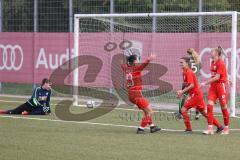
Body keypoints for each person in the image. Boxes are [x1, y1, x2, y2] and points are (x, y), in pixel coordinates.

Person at [176, 57, 223, 133]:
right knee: (205, 114)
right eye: (180, 63)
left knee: (183, 109)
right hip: (196, 95)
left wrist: (181, 92)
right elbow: (187, 85)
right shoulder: (184, 72)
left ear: (187, 63)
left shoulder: (188, 72)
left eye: (182, 62)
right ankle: (220, 126)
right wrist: (182, 93)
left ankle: (189, 129)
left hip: (196, 95)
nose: (180, 64)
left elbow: (191, 85)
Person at [121, 53, 161, 134]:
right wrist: (149, 59)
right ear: (135, 61)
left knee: (146, 111)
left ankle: (152, 126)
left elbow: (123, 66)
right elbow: (144, 65)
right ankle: (141, 128)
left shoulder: (127, 69)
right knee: (150, 111)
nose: (139, 61)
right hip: (136, 94)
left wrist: (122, 62)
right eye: (138, 59)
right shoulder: (136, 68)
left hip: (131, 95)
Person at [201, 47, 230, 135]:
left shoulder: (220, 63)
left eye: (213, 50)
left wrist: (205, 82)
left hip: (221, 87)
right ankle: (210, 129)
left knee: (223, 108)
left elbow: (217, 77)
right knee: (209, 106)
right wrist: (227, 78)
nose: (211, 51)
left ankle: (226, 128)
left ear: (217, 52)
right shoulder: (213, 62)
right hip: (213, 87)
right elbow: (219, 74)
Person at [175, 48, 201, 120]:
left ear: (188, 54)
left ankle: (180, 113)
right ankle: (197, 114)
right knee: (196, 99)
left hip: (188, 81)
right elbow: (199, 72)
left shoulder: (187, 61)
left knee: (183, 96)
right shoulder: (198, 61)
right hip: (195, 82)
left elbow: (186, 71)